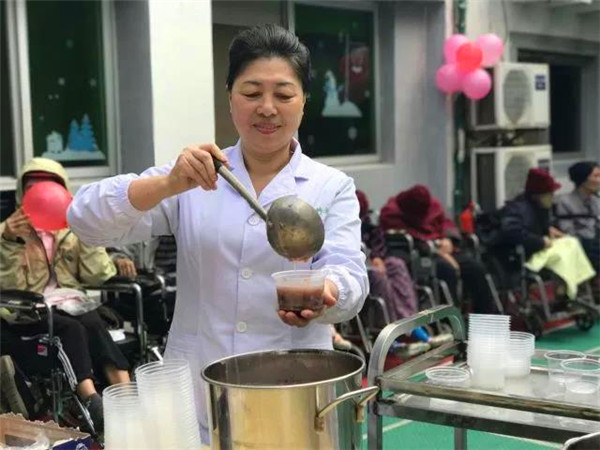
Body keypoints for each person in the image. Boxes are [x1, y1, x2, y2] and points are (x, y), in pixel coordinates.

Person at [67, 24, 368, 445]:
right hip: (199, 391)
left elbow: (350, 276)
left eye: (284, 95)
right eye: (251, 93)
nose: (267, 108)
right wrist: (167, 184)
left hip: (292, 387)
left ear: (304, 102)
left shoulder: (330, 186)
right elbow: (84, 219)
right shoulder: (194, 175)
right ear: (229, 97)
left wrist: (326, 292)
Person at [0, 157, 131, 431]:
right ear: (23, 193)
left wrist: (87, 231)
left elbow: (98, 275)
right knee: (71, 328)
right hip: (29, 312)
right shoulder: (6, 232)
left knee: (92, 321)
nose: (42, 193)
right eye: (32, 186)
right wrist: (10, 243)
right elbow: (9, 288)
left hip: (71, 303)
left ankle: (127, 395)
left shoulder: (71, 229)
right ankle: (92, 399)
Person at [379, 184, 498, 314]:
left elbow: (446, 224)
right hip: (422, 254)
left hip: (443, 247)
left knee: (476, 268)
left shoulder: (433, 206)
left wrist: (449, 240)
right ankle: (450, 318)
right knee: (447, 271)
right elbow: (401, 238)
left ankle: (484, 317)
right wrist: (434, 248)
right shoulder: (392, 212)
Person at [500, 168, 596, 300]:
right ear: (537, 195)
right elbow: (513, 232)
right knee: (564, 254)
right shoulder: (517, 209)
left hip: (540, 246)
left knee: (572, 243)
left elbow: (539, 226)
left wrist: (548, 230)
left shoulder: (540, 207)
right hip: (525, 253)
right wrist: (540, 241)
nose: (552, 198)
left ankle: (571, 285)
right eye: (549, 194)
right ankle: (566, 287)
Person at [555, 161, 600, 272]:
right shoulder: (565, 201)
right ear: (583, 180)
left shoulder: (596, 200)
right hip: (581, 243)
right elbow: (568, 231)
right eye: (596, 176)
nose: (599, 180)